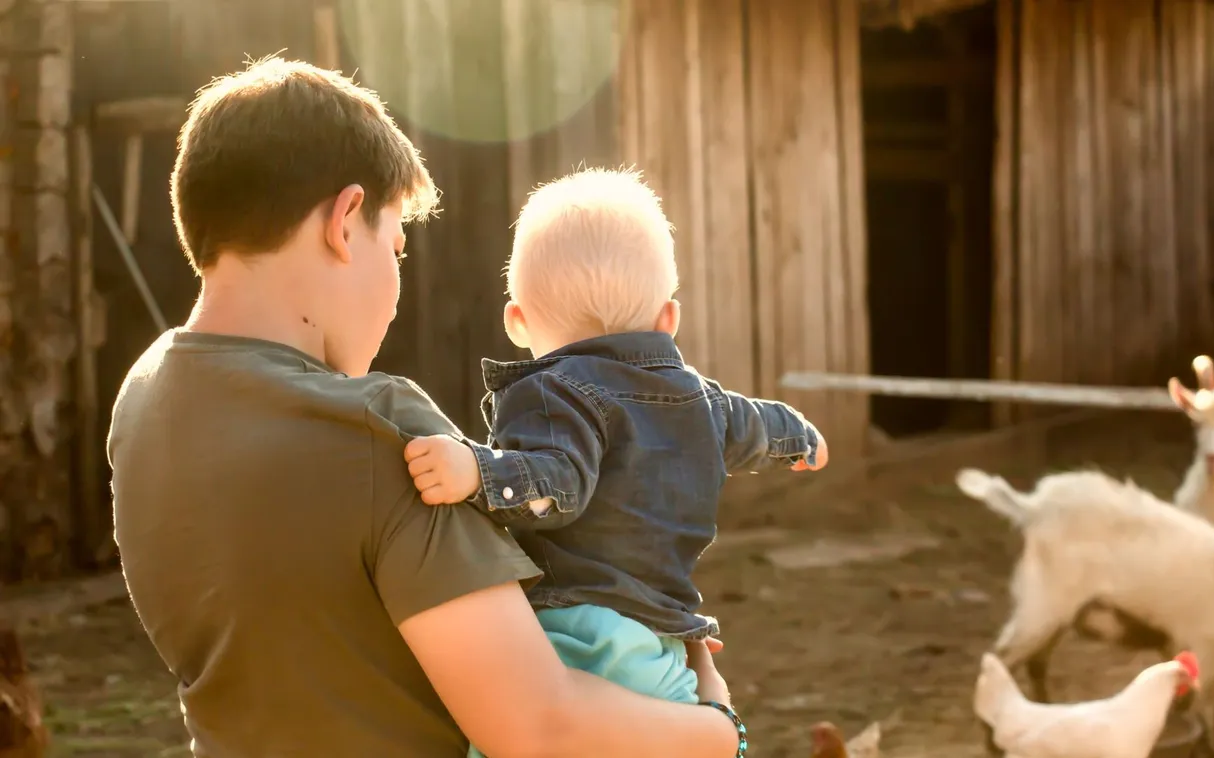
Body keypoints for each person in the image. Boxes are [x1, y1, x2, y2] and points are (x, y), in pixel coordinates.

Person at [107, 57, 743, 757]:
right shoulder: (377, 429)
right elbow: (541, 730)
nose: (395, 281)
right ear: (345, 221)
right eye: (397, 246)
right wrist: (718, 729)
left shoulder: (144, 401)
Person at [404, 168, 828, 758]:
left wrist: (479, 470)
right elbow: (758, 423)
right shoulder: (703, 400)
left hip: (577, 636)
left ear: (517, 320)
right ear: (668, 319)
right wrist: (801, 438)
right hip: (664, 647)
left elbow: (558, 487)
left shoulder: (552, 392)